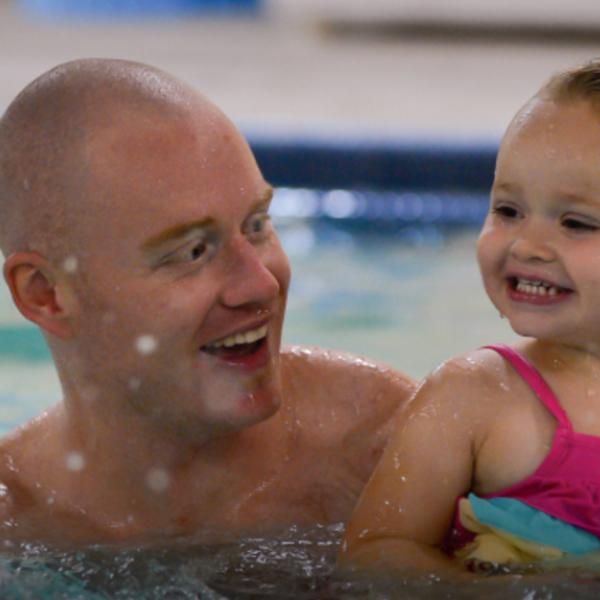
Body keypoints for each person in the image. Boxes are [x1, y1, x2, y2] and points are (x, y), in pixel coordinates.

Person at [340, 58, 600, 576]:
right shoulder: (473, 397)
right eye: (508, 210)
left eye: (576, 223)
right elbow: (374, 554)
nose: (527, 244)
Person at [0, 58, 415, 544]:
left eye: (257, 226)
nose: (260, 285)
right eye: (192, 252)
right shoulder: (15, 522)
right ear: (46, 295)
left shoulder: (388, 450)